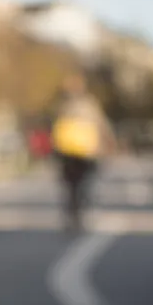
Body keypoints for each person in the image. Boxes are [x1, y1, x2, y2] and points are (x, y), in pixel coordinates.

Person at [51, 73, 115, 232]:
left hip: (69, 152)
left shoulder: (61, 105)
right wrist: (109, 141)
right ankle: (77, 212)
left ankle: (74, 213)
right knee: (81, 184)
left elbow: (55, 128)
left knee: (71, 186)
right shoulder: (88, 104)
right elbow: (101, 124)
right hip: (84, 152)